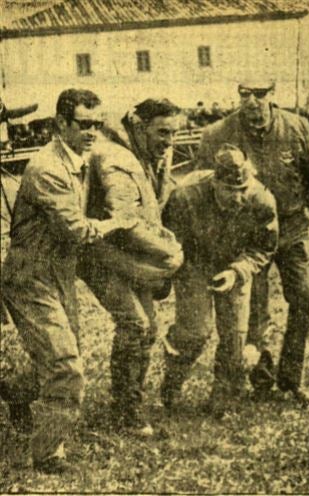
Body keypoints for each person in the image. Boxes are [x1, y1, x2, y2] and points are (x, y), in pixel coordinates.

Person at [1, 88, 136, 473]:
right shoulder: (48, 168)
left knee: (60, 355)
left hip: (58, 275)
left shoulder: (80, 159)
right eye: (84, 124)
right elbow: (77, 230)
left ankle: (12, 392)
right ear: (62, 124)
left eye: (98, 124)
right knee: (65, 365)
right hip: (30, 279)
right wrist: (118, 223)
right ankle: (47, 453)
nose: (93, 132)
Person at [197, 80, 309, 405]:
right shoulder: (217, 134)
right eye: (245, 94)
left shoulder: (297, 126)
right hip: (249, 236)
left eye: (260, 94)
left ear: (273, 94)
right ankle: (261, 379)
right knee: (255, 309)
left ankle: (291, 379)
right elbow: (202, 189)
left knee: (305, 303)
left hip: (294, 228)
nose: (252, 102)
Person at [78, 98, 184, 436]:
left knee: (148, 328)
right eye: (162, 132)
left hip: (128, 255)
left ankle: (129, 403)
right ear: (139, 125)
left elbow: (151, 209)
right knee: (136, 325)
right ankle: (126, 412)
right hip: (101, 255)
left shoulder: (145, 154)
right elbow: (125, 221)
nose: (168, 141)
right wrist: (168, 253)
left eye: (173, 133)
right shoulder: (114, 158)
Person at [160, 144, 278, 418]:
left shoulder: (261, 200)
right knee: (195, 331)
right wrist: (183, 272)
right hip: (195, 263)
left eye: (242, 191)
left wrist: (237, 271)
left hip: (235, 265)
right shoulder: (185, 197)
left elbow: (264, 247)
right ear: (214, 182)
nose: (237, 198)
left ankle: (224, 400)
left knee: (235, 337)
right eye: (229, 191)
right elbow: (170, 242)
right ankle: (173, 383)